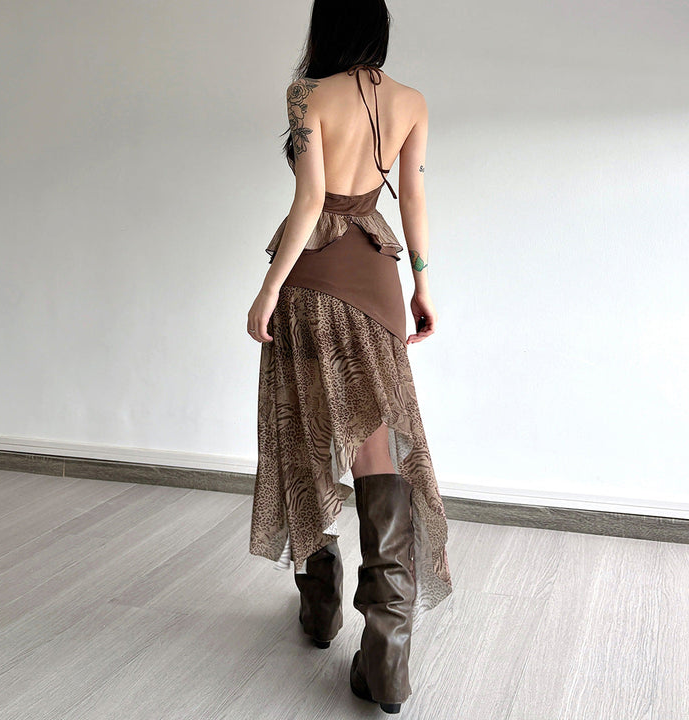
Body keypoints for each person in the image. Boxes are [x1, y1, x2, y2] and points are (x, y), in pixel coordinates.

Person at [246, 0, 453, 713]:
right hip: (377, 277)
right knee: (378, 450)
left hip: (310, 280)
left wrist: (267, 291)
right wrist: (423, 285)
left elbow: (310, 202)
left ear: (327, 26)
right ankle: (387, 653)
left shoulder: (307, 95)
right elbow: (414, 199)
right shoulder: (411, 101)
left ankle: (319, 605)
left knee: (305, 433)